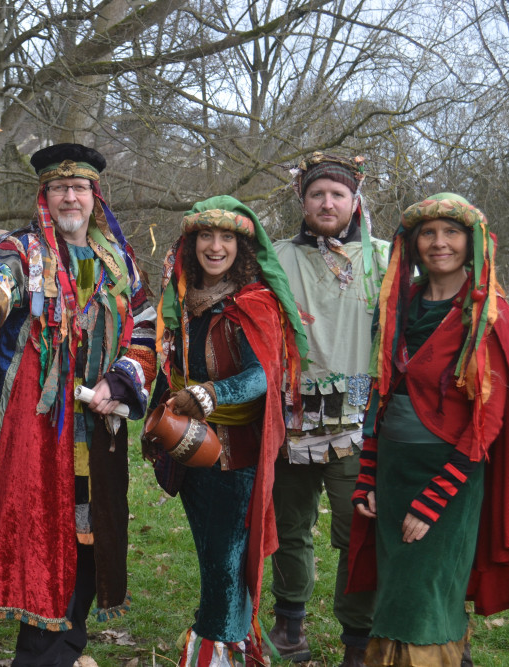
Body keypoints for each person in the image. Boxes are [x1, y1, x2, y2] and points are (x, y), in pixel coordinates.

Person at [0, 143, 157, 666]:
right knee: (37, 529)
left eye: (80, 188)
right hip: (38, 426)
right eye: (60, 188)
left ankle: (70, 642)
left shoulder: (117, 260)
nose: (71, 196)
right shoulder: (21, 251)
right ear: (45, 196)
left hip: (99, 422)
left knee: (92, 529)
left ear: (94, 196)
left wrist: (121, 379)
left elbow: (149, 327)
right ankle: (40, 652)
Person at [349, 193, 509, 665]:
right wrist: (368, 474)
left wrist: (434, 500)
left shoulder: (489, 313)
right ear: (412, 242)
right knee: (397, 593)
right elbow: (377, 395)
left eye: (452, 232)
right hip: (393, 472)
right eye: (428, 233)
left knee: (424, 599)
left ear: (473, 243)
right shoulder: (396, 305)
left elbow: (487, 422)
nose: (439, 243)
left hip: (449, 476)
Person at [145, 196, 307, 666]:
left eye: (226, 238)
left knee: (224, 562)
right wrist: (158, 418)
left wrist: (211, 395)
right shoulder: (181, 299)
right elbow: (170, 362)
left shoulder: (255, 302)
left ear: (243, 246)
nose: (215, 247)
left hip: (234, 458)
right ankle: (233, 645)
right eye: (205, 237)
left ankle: (219, 650)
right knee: (216, 560)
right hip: (188, 449)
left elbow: (263, 376)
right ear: (191, 243)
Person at [269, 152, 387, 666]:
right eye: (317, 194)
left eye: (337, 194)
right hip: (291, 419)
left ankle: (357, 641)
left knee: (356, 530)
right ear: (303, 200)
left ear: (354, 200)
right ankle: (289, 624)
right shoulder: (274, 258)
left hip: (357, 424)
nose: (327, 202)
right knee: (290, 527)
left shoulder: (386, 259)